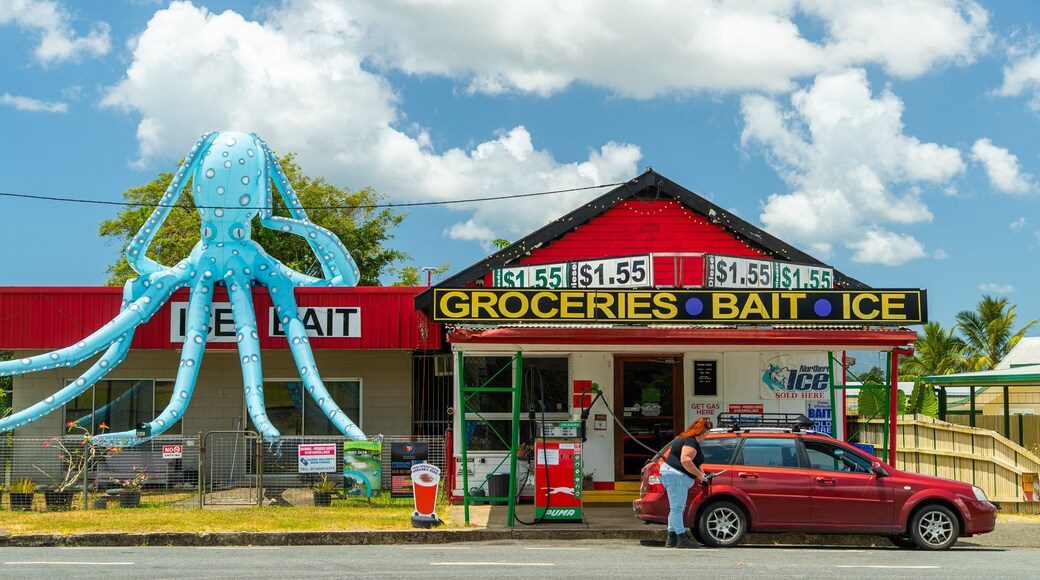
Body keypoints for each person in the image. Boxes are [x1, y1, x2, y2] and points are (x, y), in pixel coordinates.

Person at [659, 417, 713, 548]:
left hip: (672, 474)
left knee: (677, 508)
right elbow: (686, 460)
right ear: (703, 431)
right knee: (677, 508)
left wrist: (703, 476)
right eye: (708, 432)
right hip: (676, 475)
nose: (708, 435)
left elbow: (696, 462)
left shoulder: (689, 439)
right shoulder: (690, 441)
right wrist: (700, 475)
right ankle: (682, 538)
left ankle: (671, 538)